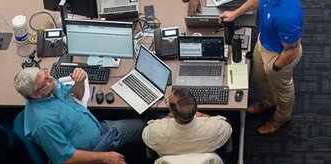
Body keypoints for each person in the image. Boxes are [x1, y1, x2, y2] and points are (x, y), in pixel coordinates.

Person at [221, 0, 303, 136]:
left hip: (279, 54)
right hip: (263, 42)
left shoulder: (287, 15)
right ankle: (269, 102)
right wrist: (235, 14)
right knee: (258, 77)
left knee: (283, 89)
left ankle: (282, 117)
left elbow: (292, 49)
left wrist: (275, 68)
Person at [14, 65, 145, 164]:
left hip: (98, 129)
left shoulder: (49, 88)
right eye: (45, 81)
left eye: (46, 73)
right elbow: (67, 158)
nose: (51, 78)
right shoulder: (43, 123)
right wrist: (106, 157)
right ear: (35, 95)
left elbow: (77, 96)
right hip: (90, 151)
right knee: (142, 130)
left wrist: (80, 81)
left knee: (141, 126)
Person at [142, 87, 233, 159]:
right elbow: (226, 126)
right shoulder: (215, 129)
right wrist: (201, 114)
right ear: (196, 109)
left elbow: (146, 133)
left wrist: (168, 117)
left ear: (173, 112)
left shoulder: (156, 132)